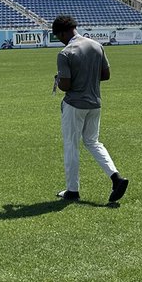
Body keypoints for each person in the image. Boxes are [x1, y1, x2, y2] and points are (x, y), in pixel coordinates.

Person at [51, 14, 129, 205]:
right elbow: (106, 75)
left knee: (71, 145)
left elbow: (66, 85)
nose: (59, 40)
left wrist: (59, 80)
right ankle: (116, 178)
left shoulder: (65, 53)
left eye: (58, 36)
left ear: (62, 32)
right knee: (93, 142)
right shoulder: (96, 46)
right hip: (95, 103)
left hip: (74, 105)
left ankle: (72, 190)